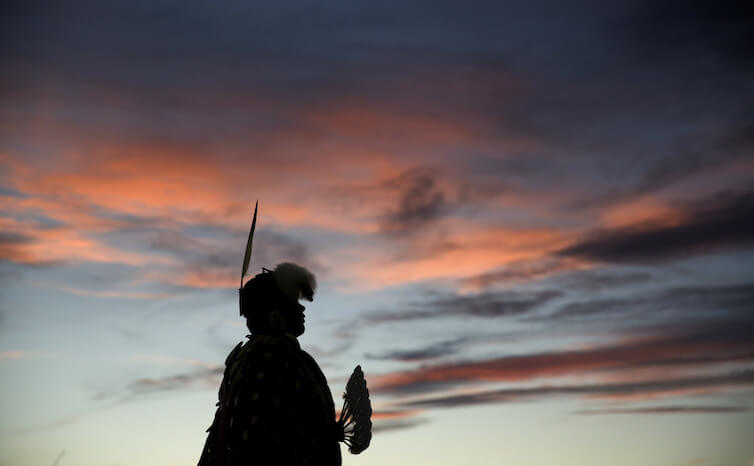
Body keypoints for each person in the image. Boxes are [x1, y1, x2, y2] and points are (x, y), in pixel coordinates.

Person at [198, 263, 343, 466]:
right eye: (292, 303)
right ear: (274, 314)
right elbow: (268, 434)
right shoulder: (273, 355)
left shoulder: (250, 356)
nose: (301, 308)